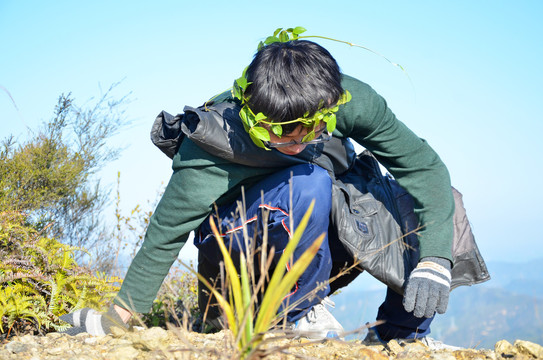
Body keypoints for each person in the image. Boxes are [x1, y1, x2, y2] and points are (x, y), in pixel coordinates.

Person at [61, 37, 476, 345]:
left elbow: (424, 167)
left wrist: (435, 259)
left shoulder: (352, 102)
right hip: (239, 265)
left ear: (330, 108)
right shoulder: (211, 139)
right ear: (253, 111)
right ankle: (292, 317)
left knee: (440, 201)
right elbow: (163, 237)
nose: (296, 145)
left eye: (310, 131)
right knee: (308, 180)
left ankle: (398, 337)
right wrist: (115, 319)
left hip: (317, 246)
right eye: (279, 136)